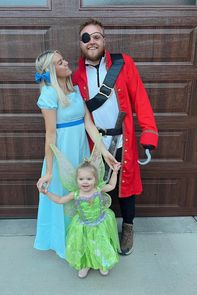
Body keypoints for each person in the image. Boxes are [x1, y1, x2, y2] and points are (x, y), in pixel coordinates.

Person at [73, 19, 159, 256]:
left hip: (124, 139)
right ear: (80, 44)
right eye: (86, 37)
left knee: (126, 185)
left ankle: (128, 227)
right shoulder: (76, 77)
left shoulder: (123, 64)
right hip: (96, 142)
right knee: (99, 187)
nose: (92, 41)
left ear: (104, 40)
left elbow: (140, 99)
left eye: (97, 36)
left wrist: (149, 134)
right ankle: (103, 229)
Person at [34, 50, 118, 259]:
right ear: (52, 71)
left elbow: (88, 123)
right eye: (60, 62)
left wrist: (104, 151)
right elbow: (50, 134)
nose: (66, 62)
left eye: (63, 59)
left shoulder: (76, 90)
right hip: (62, 153)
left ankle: (87, 242)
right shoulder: (49, 95)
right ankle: (67, 245)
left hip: (80, 150)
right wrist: (50, 171)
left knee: (83, 196)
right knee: (65, 196)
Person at [42, 143, 121, 278]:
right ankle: (85, 264)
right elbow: (60, 200)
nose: (85, 182)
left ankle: (103, 262)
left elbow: (112, 186)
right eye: (81, 179)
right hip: (83, 225)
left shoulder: (98, 190)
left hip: (99, 223)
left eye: (89, 179)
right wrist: (47, 193)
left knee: (101, 243)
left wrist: (114, 171)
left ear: (95, 180)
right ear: (77, 180)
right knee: (83, 245)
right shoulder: (76, 194)